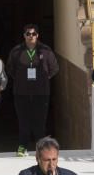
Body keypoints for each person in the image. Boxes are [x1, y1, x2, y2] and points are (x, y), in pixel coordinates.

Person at [7, 24, 59, 157]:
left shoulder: (45, 50)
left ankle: (40, 149)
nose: (31, 36)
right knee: (23, 121)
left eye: (33, 34)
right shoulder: (17, 51)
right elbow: (10, 69)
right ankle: (22, 147)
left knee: (40, 123)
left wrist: (43, 78)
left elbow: (54, 68)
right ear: (24, 36)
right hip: (21, 92)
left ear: (37, 35)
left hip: (41, 92)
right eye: (28, 34)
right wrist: (21, 79)